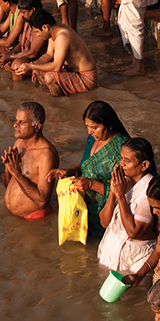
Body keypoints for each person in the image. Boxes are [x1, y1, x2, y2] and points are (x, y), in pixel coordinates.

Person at [48, 101, 130, 237]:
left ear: (109, 125)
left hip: (108, 212)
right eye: (87, 126)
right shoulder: (92, 139)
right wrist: (69, 172)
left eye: (94, 127)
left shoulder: (123, 149)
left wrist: (91, 184)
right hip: (86, 208)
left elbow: (127, 189)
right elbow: (84, 165)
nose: (89, 131)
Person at [97, 138, 157, 270]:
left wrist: (121, 196)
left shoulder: (150, 191)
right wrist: (113, 192)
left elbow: (133, 232)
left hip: (136, 259)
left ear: (144, 165)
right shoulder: (123, 182)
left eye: (127, 161)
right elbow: (104, 222)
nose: (121, 164)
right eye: (121, 158)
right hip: (111, 252)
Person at [16, 9, 97, 96]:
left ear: (45, 27)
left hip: (86, 78)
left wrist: (31, 66)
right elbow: (48, 55)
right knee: (37, 70)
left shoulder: (62, 37)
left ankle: (59, 104)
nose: (37, 35)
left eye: (37, 32)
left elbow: (56, 67)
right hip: (71, 71)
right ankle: (51, 94)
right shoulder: (53, 31)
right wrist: (30, 65)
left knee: (49, 78)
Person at [1, 102, 59, 219]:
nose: (15, 125)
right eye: (16, 120)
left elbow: (42, 201)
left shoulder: (46, 154)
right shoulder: (19, 144)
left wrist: (16, 173)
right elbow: (7, 184)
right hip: (15, 220)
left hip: (35, 221)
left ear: (37, 127)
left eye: (22, 122)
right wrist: (8, 169)